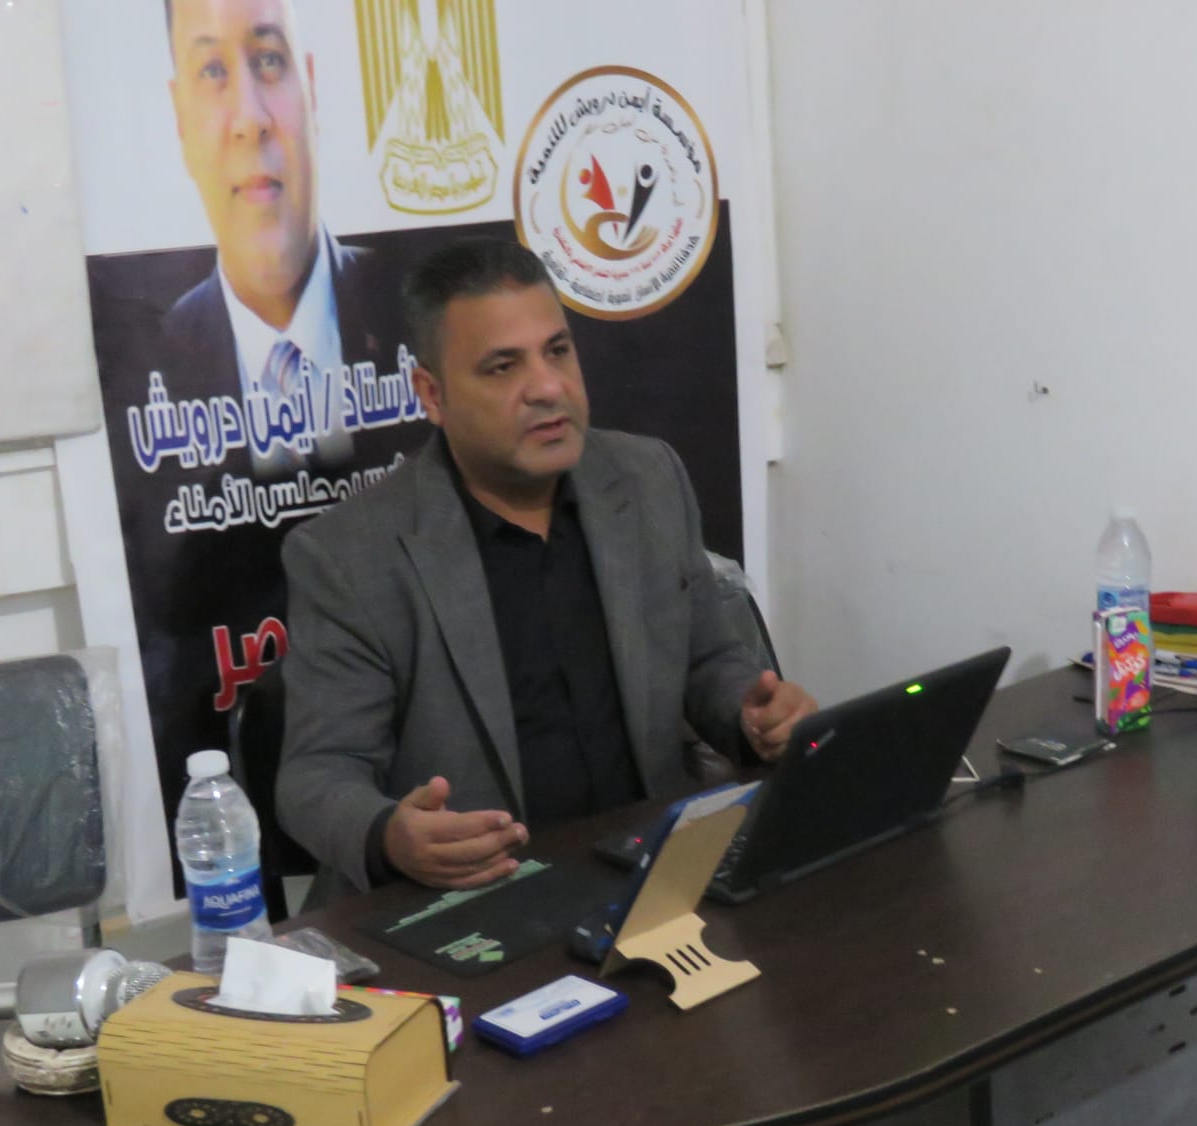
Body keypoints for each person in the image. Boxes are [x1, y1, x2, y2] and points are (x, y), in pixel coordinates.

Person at [276, 240, 817, 907]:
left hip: (644, 874)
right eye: (503, 366)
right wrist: (390, 836)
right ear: (432, 395)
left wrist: (751, 715)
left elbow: (707, 661)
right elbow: (316, 775)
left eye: (557, 351)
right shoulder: (349, 555)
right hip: (475, 900)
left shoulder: (647, 478)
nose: (548, 387)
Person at [159, 0, 393, 466]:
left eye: (269, 59)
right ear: (181, 121)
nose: (250, 120)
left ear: (312, 91)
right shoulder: (152, 361)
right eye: (211, 70)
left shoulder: (416, 306)